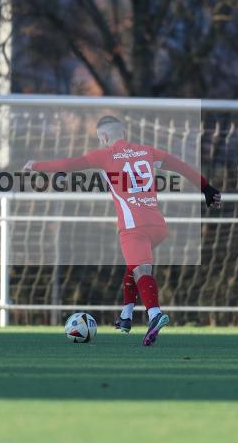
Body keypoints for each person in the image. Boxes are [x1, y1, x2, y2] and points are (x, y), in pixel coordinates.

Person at [23, 115, 221, 346]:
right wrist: (206, 187)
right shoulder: (147, 151)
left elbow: (68, 165)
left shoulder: (105, 155)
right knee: (133, 265)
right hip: (157, 225)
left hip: (132, 227)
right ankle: (126, 316)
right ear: (124, 134)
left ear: (105, 137)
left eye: (101, 139)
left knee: (141, 270)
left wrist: (35, 165)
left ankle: (154, 314)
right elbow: (181, 166)